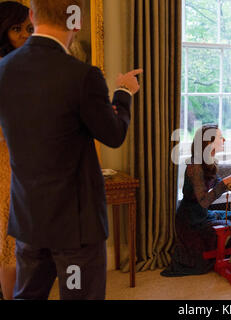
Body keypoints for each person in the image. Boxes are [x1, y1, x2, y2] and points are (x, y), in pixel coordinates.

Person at [0, 0, 143, 300]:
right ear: (74, 22)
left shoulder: (4, 70)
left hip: (29, 219)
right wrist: (124, 92)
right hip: (75, 227)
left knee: (27, 296)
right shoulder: (81, 75)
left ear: (32, 15)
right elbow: (114, 134)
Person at [162, 124, 231, 277]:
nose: (224, 139)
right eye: (220, 137)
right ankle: (226, 260)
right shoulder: (195, 167)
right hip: (192, 220)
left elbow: (218, 184)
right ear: (208, 143)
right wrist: (225, 183)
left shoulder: (208, 161)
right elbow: (204, 201)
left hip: (203, 214)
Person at [0, 1, 33, 300]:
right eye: (15, 28)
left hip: (28, 162)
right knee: (9, 245)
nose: (24, 34)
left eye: (28, 28)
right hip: (6, 164)